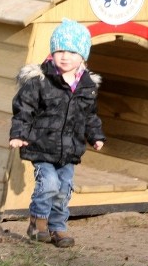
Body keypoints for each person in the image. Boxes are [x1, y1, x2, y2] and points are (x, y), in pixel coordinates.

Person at [9, 19, 105, 248]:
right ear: (52, 52)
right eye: (60, 50)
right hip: (42, 145)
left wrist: (96, 136)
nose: (65, 56)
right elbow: (24, 109)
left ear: (82, 55)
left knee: (63, 189)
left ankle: (58, 228)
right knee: (49, 183)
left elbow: (89, 115)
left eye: (72, 51)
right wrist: (19, 133)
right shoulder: (40, 81)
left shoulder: (87, 85)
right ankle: (38, 222)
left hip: (69, 148)